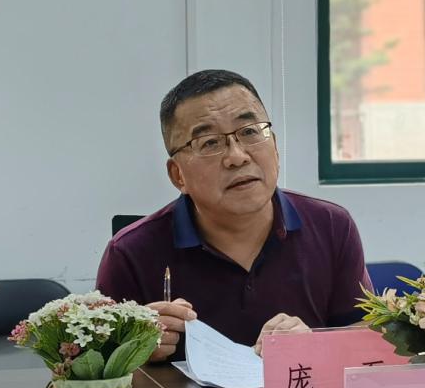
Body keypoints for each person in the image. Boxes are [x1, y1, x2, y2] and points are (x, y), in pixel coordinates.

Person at [96, 69, 371, 361]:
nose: (237, 157)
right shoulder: (130, 253)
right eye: (209, 143)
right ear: (178, 175)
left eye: (250, 132)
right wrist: (131, 350)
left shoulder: (331, 226)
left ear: (275, 148)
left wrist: (314, 343)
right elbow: (90, 365)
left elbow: (366, 336)